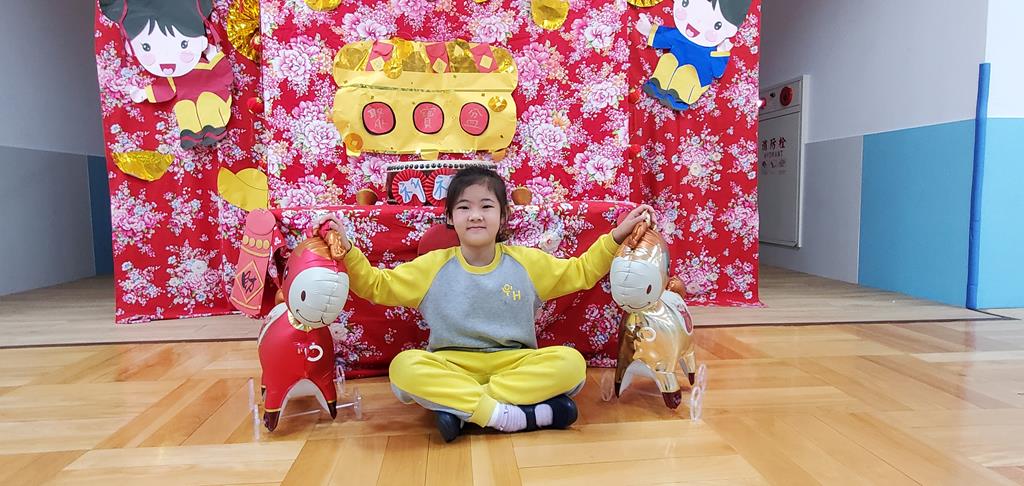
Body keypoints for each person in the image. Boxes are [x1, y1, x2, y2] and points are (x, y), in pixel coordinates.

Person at [321, 167, 653, 442]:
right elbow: (376, 286)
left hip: (514, 364)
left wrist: (617, 236)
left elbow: (581, 271)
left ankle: (462, 411)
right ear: (450, 217)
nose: (476, 216)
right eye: (464, 207)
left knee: (571, 364)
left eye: (486, 206)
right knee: (404, 368)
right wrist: (347, 250)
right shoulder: (432, 266)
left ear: (503, 215)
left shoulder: (527, 263)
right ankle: (510, 416)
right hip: (451, 365)